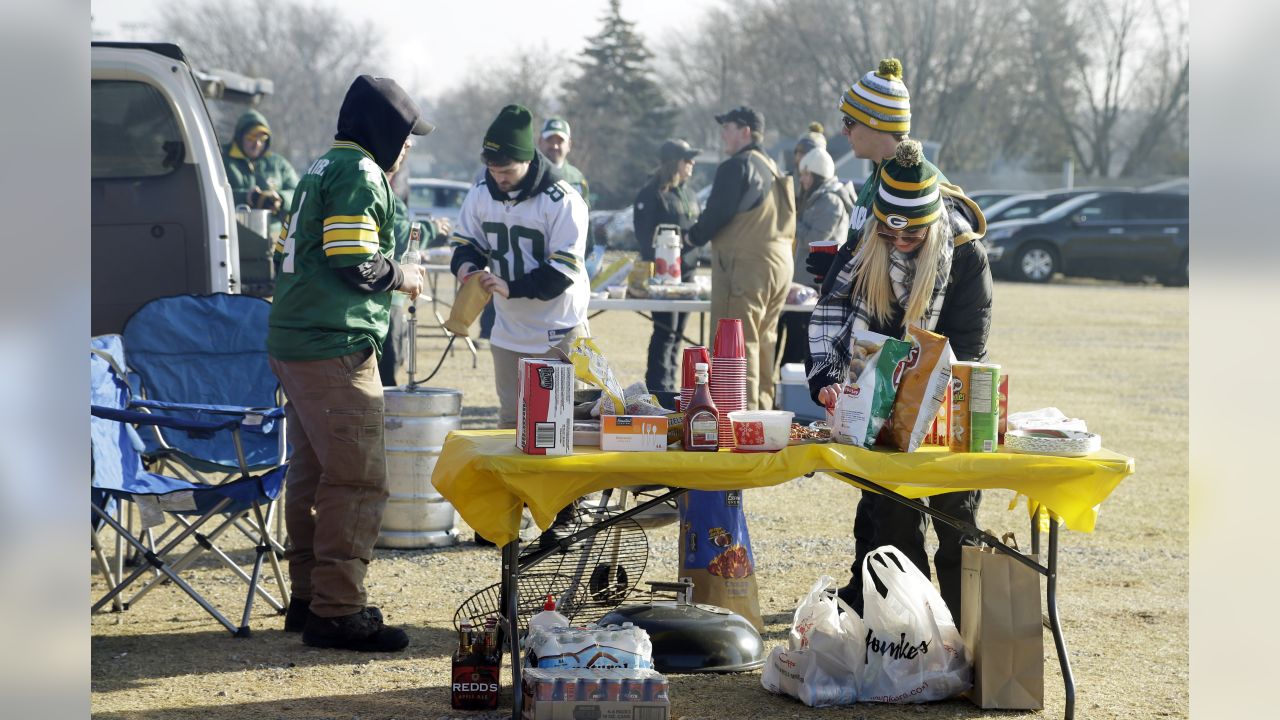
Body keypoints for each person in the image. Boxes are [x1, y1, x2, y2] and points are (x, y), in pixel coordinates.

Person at [266, 75, 432, 652]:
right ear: (383, 127)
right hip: (331, 343)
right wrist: (405, 276)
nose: (408, 146)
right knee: (358, 477)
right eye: (406, 134)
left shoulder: (321, 166)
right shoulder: (359, 171)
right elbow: (353, 261)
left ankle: (310, 597)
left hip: (297, 338)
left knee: (312, 471)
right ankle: (337, 611)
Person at [807, 142, 991, 622]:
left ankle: (965, 636)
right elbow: (834, 314)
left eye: (913, 229)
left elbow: (970, 346)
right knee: (889, 522)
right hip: (880, 413)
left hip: (947, 410)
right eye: (890, 229)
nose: (901, 237)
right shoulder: (865, 246)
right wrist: (829, 379)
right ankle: (904, 638)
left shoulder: (967, 256)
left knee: (958, 524)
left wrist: (920, 391)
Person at [449, 104, 591, 429]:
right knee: (512, 425)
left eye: (507, 171)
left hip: (558, 328)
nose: (499, 178)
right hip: (509, 329)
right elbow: (464, 244)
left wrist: (513, 287)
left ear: (528, 160)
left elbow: (563, 270)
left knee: (557, 426)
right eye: (493, 169)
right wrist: (469, 271)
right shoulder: (481, 193)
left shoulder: (563, 200)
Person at [686, 106, 795, 410]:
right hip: (779, 264)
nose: (723, 134)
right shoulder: (771, 165)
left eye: (728, 128)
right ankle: (761, 413)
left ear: (745, 131)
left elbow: (716, 214)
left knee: (735, 347)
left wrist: (691, 238)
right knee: (764, 341)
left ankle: (737, 423)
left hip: (747, 266)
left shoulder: (737, 166)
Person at [477, 116, 592, 347]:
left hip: (558, 319)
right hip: (509, 323)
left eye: (560, 141)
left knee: (563, 384)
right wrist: (467, 267)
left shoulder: (572, 186)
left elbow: (569, 258)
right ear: (539, 143)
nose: (555, 146)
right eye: (550, 140)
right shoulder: (483, 190)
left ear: (570, 144)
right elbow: (470, 242)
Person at [633, 138, 702, 392]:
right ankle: (659, 389)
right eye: (687, 159)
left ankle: (671, 387)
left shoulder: (689, 192)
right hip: (663, 277)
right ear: (674, 162)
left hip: (689, 271)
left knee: (678, 334)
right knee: (664, 331)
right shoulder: (651, 193)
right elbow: (643, 235)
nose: (692, 164)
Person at [777, 146, 851, 366]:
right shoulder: (818, 198)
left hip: (813, 291)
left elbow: (816, 239)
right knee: (793, 346)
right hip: (804, 288)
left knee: (800, 350)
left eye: (806, 174)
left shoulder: (830, 201)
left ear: (817, 174)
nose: (803, 179)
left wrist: (790, 221)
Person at [222, 109, 299, 239]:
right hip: (232, 238)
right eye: (250, 138)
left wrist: (279, 198)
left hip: (272, 240)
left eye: (262, 139)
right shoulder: (221, 159)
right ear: (239, 137)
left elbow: (300, 194)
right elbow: (209, 194)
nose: (257, 144)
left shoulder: (278, 164)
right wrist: (246, 198)